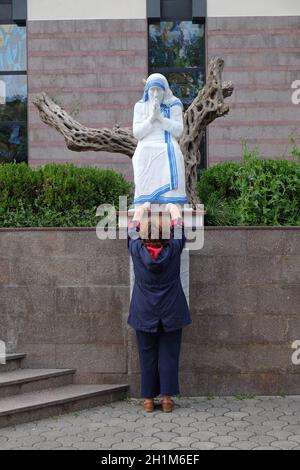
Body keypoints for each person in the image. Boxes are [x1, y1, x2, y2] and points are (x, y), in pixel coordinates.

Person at [127, 202, 192, 412]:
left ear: (144, 234)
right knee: (169, 355)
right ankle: (166, 400)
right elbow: (180, 229)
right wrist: (174, 210)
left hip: (143, 311)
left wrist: (141, 210)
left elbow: (131, 230)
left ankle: (147, 400)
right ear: (167, 235)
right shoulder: (173, 249)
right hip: (172, 311)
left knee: (147, 354)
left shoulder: (137, 249)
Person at [132, 73, 188, 205]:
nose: (155, 94)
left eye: (159, 90)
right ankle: (146, 198)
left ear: (165, 90)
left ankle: (171, 199)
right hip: (146, 144)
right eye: (152, 90)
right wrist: (152, 118)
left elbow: (178, 131)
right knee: (140, 154)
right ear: (147, 91)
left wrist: (161, 118)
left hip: (167, 144)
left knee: (175, 152)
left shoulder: (174, 105)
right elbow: (137, 133)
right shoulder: (140, 106)